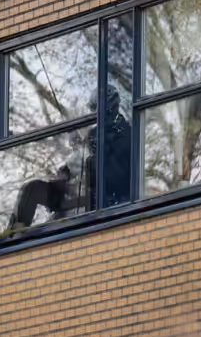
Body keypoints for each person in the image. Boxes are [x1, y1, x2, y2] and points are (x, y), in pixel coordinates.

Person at [7, 85, 132, 231]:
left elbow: (119, 175)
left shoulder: (126, 134)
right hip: (78, 193)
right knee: (32, 188)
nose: (96, 114)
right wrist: (64, 172)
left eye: (97, 108)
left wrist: (95, 160)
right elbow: (78, 158)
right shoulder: (94, 134)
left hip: (101, 199)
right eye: (94, 109)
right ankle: (14, 235)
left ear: (111, 107)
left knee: (55, 224)